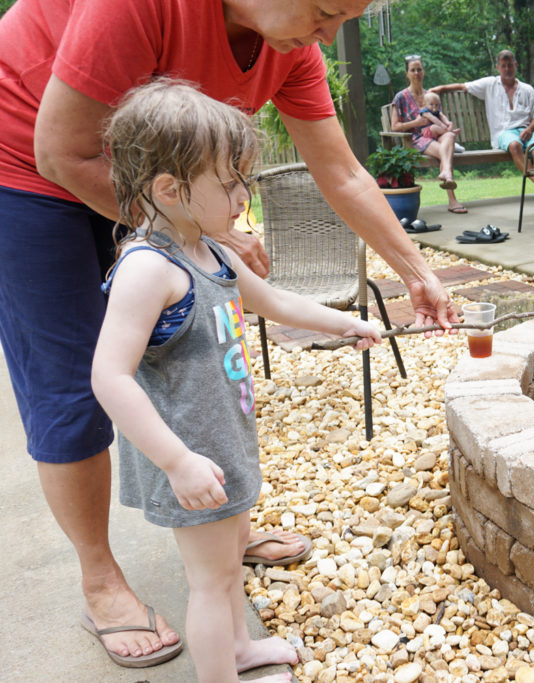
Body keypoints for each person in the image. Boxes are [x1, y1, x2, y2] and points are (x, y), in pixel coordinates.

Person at [0, 0, 458, 669]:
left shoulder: (290, 43)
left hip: (170, 206)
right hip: (28, 161)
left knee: (204, 447)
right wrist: (191, 236)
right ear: (175, 190)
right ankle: (102, 577)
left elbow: (335, 181)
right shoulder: (142, 13)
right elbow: (60, 152)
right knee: (68, 384)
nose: (331, 35)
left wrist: (408, 277)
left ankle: (217, 527)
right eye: (328, 10)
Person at [92, 80, 380, 682]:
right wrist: (176, 462)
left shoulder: (211, 251)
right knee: (211, 579)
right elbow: (109, 377)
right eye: (230, 183)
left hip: (222, 441)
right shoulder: (148, 269)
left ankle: (240, 649)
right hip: (189, 455)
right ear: (169, 190)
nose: (243, 195)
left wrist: (348, 324)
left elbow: (272, 302)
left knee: (227, 566)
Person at [432, 49, 534, 204]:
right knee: (515, 146)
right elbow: (463, 86)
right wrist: (441, 88)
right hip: (505, 132)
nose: (507, 69)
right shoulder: (490, 84)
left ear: (515, 65)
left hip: (529, 129)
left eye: (510, 65)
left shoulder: (527, 89)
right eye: (503, 66)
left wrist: (529, 129)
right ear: (498, 68)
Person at [391, 55, 468, 213]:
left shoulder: (430, 95)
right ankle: (452, 199)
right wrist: (415, 123)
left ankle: (445, 172)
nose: (417, 73)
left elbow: (439, 117)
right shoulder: (401, 97)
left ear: (423, 71)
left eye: (419, 69)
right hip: (415, 139)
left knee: (450, 136)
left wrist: (448, 125)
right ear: (407, 73)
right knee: (445, 151)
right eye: (413, 70)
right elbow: (395, 127)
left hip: (436, 134)